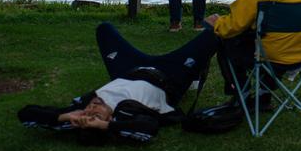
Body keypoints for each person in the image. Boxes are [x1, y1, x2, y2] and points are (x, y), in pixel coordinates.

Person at [17, 23, 218, 144]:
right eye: (95, 115)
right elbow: (148, 128)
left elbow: (26, 114)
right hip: (168, 75)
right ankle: (195, 75)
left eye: (88, 112)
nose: (92, 107)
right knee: (216, 34)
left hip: (127, 70)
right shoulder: (126, 114)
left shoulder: (80, 109)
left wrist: (66, 115)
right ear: (109, 119)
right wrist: (105, 126)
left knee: (104, 29)